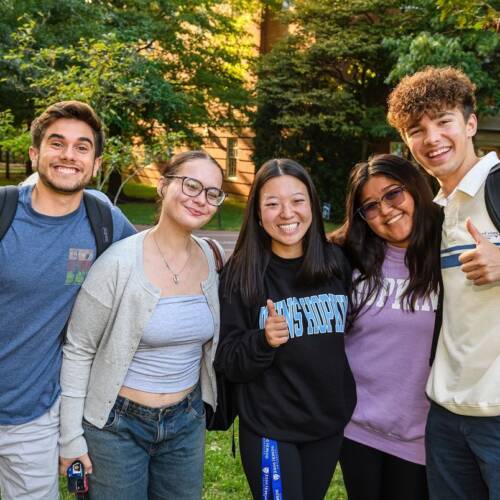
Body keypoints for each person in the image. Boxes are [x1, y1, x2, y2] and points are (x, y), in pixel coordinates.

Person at [59, 150, 226, 499]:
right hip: (117, 426)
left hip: (185, 422)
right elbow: (78, 349)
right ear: (163, 185)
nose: (201, 199)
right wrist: (70, 437)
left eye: (212, 193)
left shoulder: (212, 259)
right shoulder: (118, 263)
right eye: (191, 185)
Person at [0, 101, 135, 500]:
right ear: (34, 153)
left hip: (34, 419)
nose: (68, 156)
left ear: (95, 164)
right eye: (57, 144)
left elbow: (157, 253)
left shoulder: (103, 220)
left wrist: (212, 252)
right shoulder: (4, 211)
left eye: (82, 147)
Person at [387, 66, 500, 499]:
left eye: (444, 120)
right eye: (417, 129)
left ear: (470, 124)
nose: (432, 137)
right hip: (446, 415)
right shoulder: (438, 210)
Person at [215, 158, 356, 500]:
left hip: (326, 422)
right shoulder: (242, 274)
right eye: (272, 204)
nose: (287, 213)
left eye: (297, 200)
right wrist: (263, 340)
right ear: (258, 214)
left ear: (312, 205)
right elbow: (227, 360)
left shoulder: (337, 263)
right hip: (270, 428)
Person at [330, 154, 441, 500]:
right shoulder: (346, 257)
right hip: (357, 429)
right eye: (370, 206)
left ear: (415, 189)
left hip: (421, 434)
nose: (386, 210)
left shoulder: (450, 254)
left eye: (393, 194)